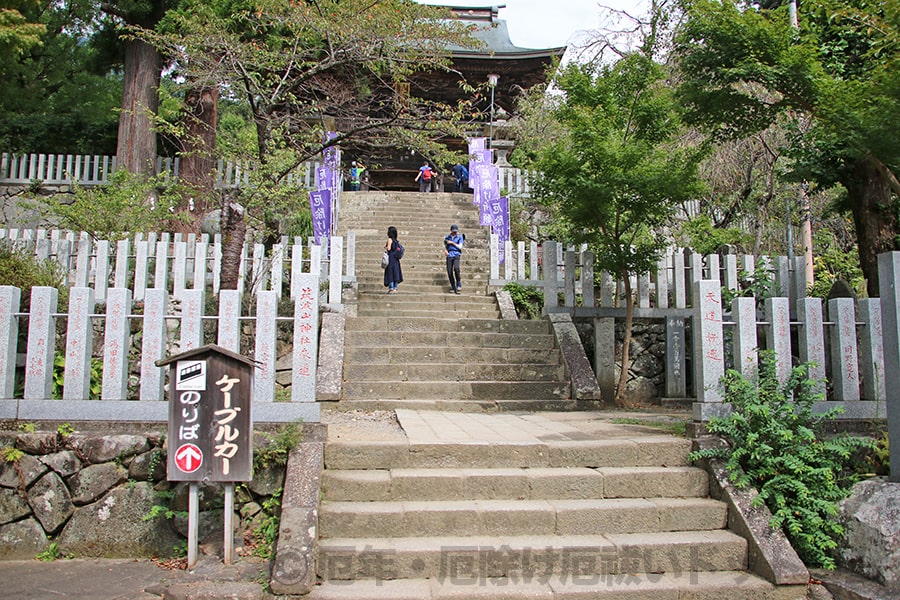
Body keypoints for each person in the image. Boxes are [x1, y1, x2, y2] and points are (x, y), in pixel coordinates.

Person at [444, 223, 464, 294]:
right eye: (453, 231)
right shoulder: (447, 237)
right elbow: (445, 245)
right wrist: (446, 250)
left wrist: (452, 243)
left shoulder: (460, 237)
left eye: (456, 231)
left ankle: (458, 283)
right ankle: (453, 286)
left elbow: (460, 246)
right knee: (449, 271)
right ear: (451, 231)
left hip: (456, 254)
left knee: (456, 268)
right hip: (449, 255)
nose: (455, 232)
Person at [384, 226, 403, 293]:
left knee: (390, 273)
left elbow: (389, 248)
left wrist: (386, 247)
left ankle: (391, 288)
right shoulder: (396, 241)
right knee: (396, 272)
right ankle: (395, 287)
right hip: (396, 259)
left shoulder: (390, 240)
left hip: (391, 258)